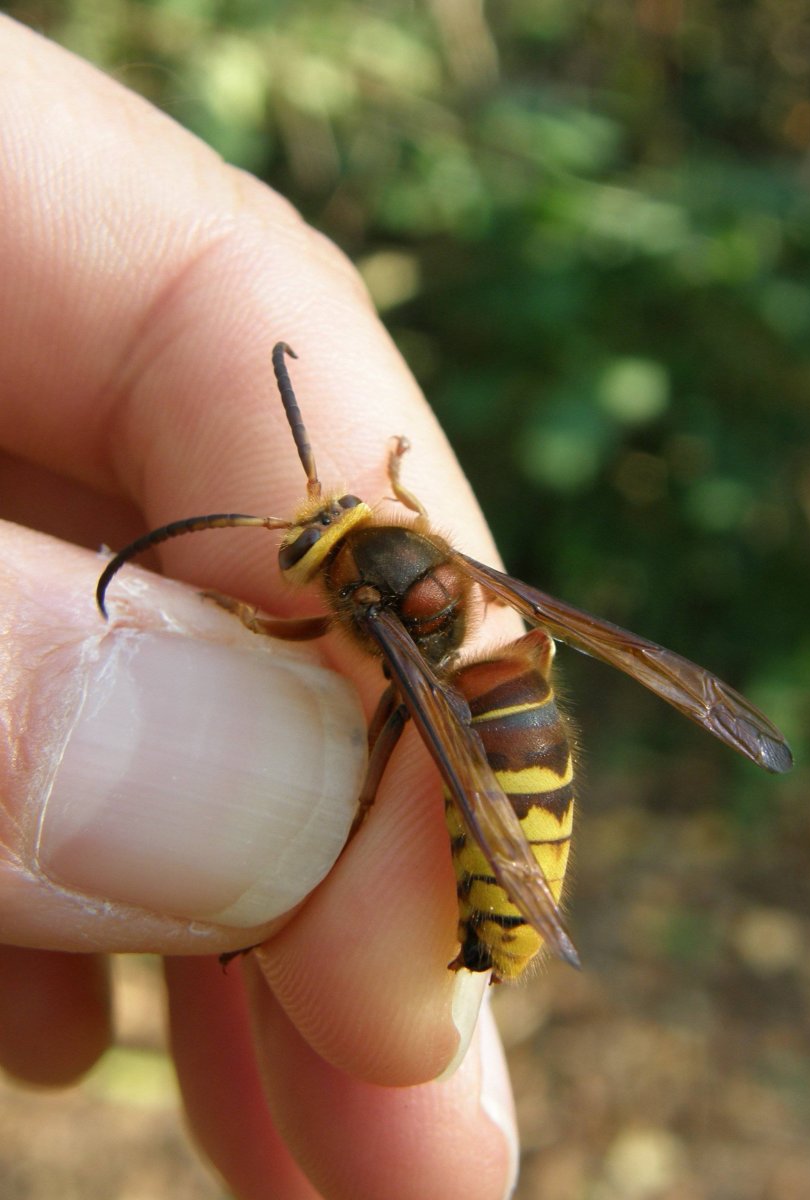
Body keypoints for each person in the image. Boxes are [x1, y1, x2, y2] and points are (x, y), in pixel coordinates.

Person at [0, 16, 518, 1199]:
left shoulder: (364, 612)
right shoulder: (410, 560)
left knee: (402, 737)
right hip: (494, 697)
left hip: (482, 758)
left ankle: (495, 899)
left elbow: (327, 633)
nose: (299, 537)